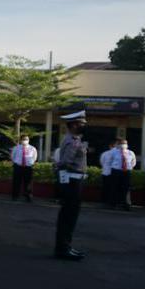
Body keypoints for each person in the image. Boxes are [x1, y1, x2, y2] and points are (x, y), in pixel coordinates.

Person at [54, 111, 89, 261]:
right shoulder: (73, 141)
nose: (84, 126)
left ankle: (65, 247)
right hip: (72, 181)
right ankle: (63, 249)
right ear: (75, 125)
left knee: (68, 216)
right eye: (82, 123)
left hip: (72, 180)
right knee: (69, 216)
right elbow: (64, 163)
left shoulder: (73, 139)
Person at [10, 134, 37, 203]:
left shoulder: (32, 148)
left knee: (28, 183)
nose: (25, 141)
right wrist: (16, 163)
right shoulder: (16, 148)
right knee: (16, 182)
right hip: (18, 167)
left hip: (28, 167)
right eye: (24, 139)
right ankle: (15, 196)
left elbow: (34, 157)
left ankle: (28, 196)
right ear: (21, 140)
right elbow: (12, 156)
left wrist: (30, 163)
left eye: (27, 139)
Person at [110, 139, 136, 210]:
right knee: (115, 187)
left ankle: (126, 205)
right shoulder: (114, 152)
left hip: (126, 172)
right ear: (118, 144)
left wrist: (129, 168)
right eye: (121, 143)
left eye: (125, 143)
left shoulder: (131, 153)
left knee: (126, 188)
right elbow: (109, 161)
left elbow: (133, 162)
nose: (123, 145)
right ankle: (113, 204)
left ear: (127, 145)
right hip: (116, 171)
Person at [99, 140, 117, 207]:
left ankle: (107, 201)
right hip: (108, 173)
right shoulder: (105, 153)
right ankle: (106, 201)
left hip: (110, 173)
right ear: (110, 146)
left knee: (108, 188)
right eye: (114, 146)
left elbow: (101, 163)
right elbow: (102, 162)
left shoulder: (106, 153)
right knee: (108, 188)